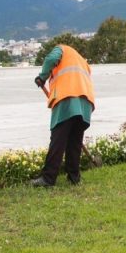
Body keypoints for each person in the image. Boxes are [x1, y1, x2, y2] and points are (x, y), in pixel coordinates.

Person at [31, 43, 96, 187]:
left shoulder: (61, 48)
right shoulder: (80, 59)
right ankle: (74, 177)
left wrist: (42, 77)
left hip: (67, 99)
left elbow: (50, 59)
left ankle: (48, 179)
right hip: (85, 103)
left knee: (58, 140)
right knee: (74, 141)